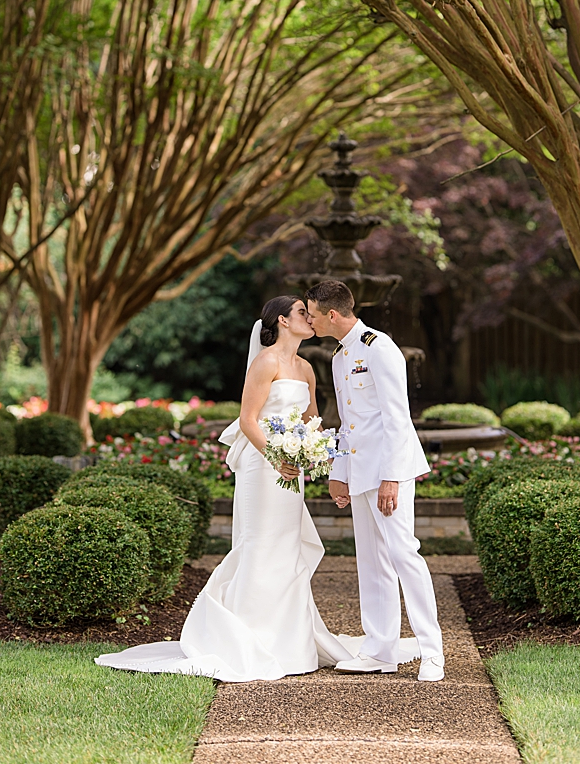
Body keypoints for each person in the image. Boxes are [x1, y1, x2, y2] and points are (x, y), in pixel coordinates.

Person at [95, 297, 357, 682]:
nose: (309, 317)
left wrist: (313, 451)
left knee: (286, 546)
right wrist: (275, 454)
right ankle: (245, 636)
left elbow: (311, 416)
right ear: (283, 321)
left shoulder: (305, 367)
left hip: (292, 467)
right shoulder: (265, 362)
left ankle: (290, 644)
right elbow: (248, 420)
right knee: (260, 544)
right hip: (262, 463)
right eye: (302, 311)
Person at [305, 279, 445, 682]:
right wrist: (338, 472)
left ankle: (432, 652)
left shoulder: (378, 347)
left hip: (388, 471)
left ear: (332, 314)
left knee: (404, 555)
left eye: (312, 314)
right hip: (360, 471)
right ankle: (380, 649)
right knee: (371, 561)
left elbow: (397, 418)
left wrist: (392, 478)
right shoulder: (339, 355)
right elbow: (349, 423)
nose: (310, 320)